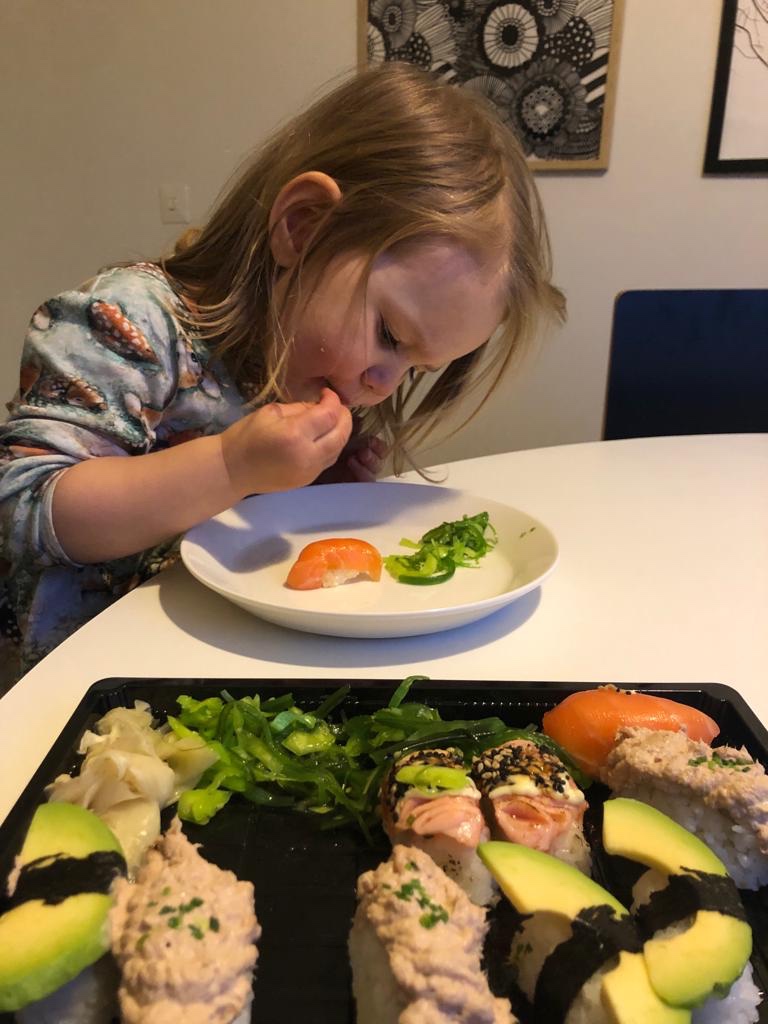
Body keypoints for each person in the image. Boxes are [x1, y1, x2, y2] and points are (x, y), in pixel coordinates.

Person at [0, 62, 564, 690]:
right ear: (303, 226)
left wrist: (313, 492)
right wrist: (230, 466)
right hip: (81, 682)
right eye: (389, 335)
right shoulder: (128, 320)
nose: (384, 383)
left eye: (416, 369)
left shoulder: (307, 365)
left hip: (219, 663)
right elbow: (23, 508)